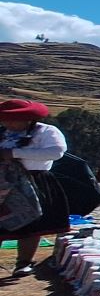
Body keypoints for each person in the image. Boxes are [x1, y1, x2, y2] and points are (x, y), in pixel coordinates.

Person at [0, 99, 69, 277]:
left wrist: (14, 153)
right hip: (3, 183)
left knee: (31, 223)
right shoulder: (3, 133)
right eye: (4, 119)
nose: (7, 123)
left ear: (28, 118)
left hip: (35, 180)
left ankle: (24, 262)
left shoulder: (46, 132)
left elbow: (56, 152)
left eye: (12, 119)